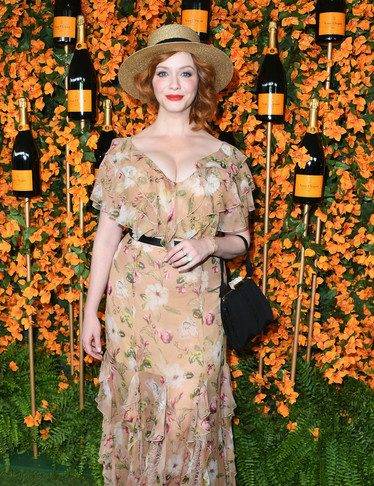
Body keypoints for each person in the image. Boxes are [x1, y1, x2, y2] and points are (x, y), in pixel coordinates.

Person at [82, 23, 256, 486]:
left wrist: (208, 245)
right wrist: (90, 311)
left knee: (192, 408)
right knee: (138, 409)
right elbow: (106, 236)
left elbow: (241, 240)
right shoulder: (123, 154)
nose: (174, 84)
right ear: (150, 82)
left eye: (185, 73)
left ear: (200, 81)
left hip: (198, 304)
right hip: (135, 302)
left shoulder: (226, 158)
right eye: (163, 73)